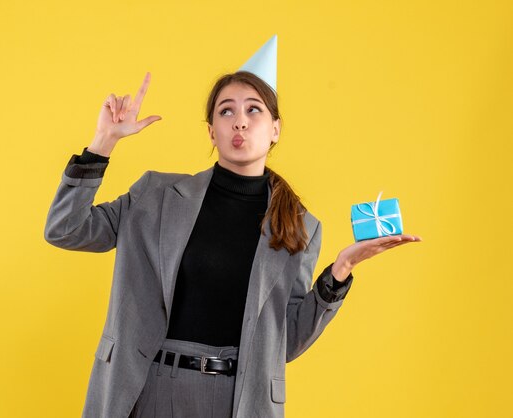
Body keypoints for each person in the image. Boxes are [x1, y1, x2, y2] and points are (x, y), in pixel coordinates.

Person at [44, 71, 421, 418]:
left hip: (238, 398)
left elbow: (282, 344)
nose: (239, 121)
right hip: (149, 386)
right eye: (226, 111)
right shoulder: (154, 195)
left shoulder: (300, 227)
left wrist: (340, 272)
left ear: (275, 129)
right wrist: (103, 142)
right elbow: (66, 229)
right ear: (211, 131)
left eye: (253, 110)